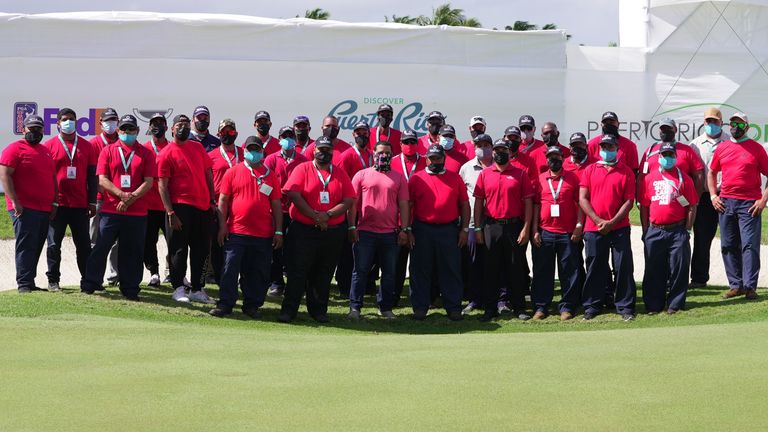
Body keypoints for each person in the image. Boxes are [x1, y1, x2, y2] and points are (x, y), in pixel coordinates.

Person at [279, 136, 354, 323]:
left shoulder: (339, 173)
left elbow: (349, 200)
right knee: (297, 271)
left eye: (328, 149)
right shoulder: (302, 168)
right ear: (313, 151)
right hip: (304, 229)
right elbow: (294, 194)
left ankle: (318, 310)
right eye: (320, 149)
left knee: (324, 272)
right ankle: (289, 311)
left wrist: (326, 215)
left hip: (331, 230)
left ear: (333, 152)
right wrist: (315, 216)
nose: (324, 152)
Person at [81, 115, 155, 300]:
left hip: (136, 212)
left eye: (131, 129)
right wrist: (121, 195)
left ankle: (130, 289)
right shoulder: (108, 150)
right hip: (110, 209)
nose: (126, 133)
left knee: (132, 251)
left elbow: (148, 182)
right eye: (123, 129)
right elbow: (102, 179)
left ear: (137, 131)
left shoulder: (145, 153)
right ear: (118, 131)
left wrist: (130, 199)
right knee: (101, 247)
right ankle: (91, 283)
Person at [209, 136, 283, 318]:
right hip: (236, 231)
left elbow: (276, 205)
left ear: (262, 152)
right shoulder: (233, 172)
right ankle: (225, 304)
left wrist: (279, 230)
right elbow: (223, 201)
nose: (253, 152)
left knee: (257, 271)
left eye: (256, 149)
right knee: (229, 269)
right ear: (245, 151)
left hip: (262, 233)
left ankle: (252, 305)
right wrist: (222, 226)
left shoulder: (270, 175)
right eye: (250, 149)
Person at [158, 114, 217, 304]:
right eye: (179, 125)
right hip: (179, 206)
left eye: (185, 124)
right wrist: (170, 212)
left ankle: (197, 289)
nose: (182, 127)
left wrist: (212, 200)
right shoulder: (166, 153)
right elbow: (162, 186)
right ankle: (178, 288)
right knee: (179, 250)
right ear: (172, 129)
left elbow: (208, 174)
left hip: (202, 206)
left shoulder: (198, 147)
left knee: (201, 249)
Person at [347, 141, 410, 319]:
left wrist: (404, 229)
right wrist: (352, 226)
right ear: (373, 153)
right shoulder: (361, 175)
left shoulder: (398, 177)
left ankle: (385, 308)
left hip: (390, 234)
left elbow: (404, 205)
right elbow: (352, 204)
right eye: (381, 152)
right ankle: (355, 308)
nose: (384, 156)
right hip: (365, 232)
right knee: (360, 271)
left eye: (388, 153)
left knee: (389, 273)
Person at [709, 112, 768, 301]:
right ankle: (736, 285)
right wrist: (712, 196)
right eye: (733, 123)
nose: (735, 126)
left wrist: (763, 200)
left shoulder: (756, 149)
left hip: (750, 204)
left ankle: (750, 287)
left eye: (740, 124)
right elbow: (711, 172)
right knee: (727, 244)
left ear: (747, 127)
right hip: (726, 202)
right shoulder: (723, 147)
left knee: (749, 246)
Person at [407, 144, 470, 321]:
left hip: (448, 230)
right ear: (426, 159)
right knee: (420, 269)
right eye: (432, 158)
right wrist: (408, 229)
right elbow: (409, 206)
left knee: (451, 269)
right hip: (422, 229)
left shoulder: (455, 178)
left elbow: (464, 205)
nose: (435, 161)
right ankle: (420, 307)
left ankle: (453, 307)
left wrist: (464, 229)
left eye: (438, 158)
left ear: (444, 159)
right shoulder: (416, 178)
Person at [474, 139, 534, 322]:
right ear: (492, 152)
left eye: (504, 150)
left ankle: (519, 308)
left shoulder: (520, 174)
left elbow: (528, 203)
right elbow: (478, 203)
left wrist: (526, 228)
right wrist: (478, 228)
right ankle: (490, 309)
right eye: (497, 150)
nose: (500, 152)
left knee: (515, 269)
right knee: (490, 269)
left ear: (509, 152)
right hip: (491, 226)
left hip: (514, 226)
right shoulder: (485, 174)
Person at [579, 135, 637, 321]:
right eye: (603, 146)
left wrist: (611, 222)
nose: (606, 149)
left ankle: (625, 306)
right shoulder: (589, 170)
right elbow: (583, 198)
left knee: (622, 266)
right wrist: (598, 221)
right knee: (595, 266)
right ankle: (592, 306)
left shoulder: (626, 171)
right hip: (593, 227)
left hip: (619, 227)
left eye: (610, 146)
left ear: (617, 148)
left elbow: (629, 201)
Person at [639, 142, 699, 314]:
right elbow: (644, 205)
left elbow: (692, 206)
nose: (668, 158)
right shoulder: (650, 178)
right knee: (653, 269)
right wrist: (645, 230)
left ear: (675, 157)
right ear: (659, 158)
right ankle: (653, 305)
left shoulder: (684, 178)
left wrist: (687, 230)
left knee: (679, 269)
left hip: (677, 230)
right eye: (664, 155)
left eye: (671, 155)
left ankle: (675, 304)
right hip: (655, 230)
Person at [0, 115, 57, 293]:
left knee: (37, 244)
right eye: (31, 129)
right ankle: (24, 284)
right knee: (26, 245)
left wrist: (54, 203)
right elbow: (5, 175)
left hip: (44, 208)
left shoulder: (45, 151)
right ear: (23, 129)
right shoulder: (14, 149)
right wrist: (15, 202)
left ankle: (30, 281)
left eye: (38, 129)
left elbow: (52, 178)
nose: (35, 132)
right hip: (23, 208)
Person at [43, 107, 98, 291]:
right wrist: (49, 202)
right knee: (53, 245)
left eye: (72, 119)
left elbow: (92, 176)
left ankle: (88, 281)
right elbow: (44, 177)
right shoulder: (48, 146)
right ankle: (53, 280)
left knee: (83, 245)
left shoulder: (86, 146)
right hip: (57, 205)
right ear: (57, 123)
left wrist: (92, 201)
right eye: (65, 119)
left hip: (80, 204)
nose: (69, 122)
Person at [531, 146, 583, 320]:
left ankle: (567, 307)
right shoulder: (540, 179)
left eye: (557, 156)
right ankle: (541, 307)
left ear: (563, 158)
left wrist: (578, 225)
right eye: (551, 157)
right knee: (542, 271)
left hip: (567, 233)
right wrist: (534, 230)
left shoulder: (572, 178)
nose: (554, 160)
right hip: (545, 231)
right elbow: (536, 206)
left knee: (569, 271)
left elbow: (580, 203)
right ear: (546, 159)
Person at [264, 126, 308, 296]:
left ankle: (296, 284)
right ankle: (276, 283)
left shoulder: (303, 160)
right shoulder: (271, 159)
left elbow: (308, 184)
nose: (288, 139)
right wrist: (277, 193)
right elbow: (265, 184)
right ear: (279, 138)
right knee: (276, 249)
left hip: (297, 211)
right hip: (277, 210)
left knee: (296, 250)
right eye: (284, 136)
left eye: (290, 136)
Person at [689, 108, 729, 288]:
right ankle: (698, 279)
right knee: (701, 239)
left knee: (731, 239)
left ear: (721, 122)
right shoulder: (695, 144)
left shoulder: (730, 142)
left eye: (715, 121)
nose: (711, 124)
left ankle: (737, 281)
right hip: (705, 197)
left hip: (727, 195)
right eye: (708, 121)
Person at [335, 120, 373, 298]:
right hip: (351, 208)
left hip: (369, 208)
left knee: (366, 248)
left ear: (369, 134)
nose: (361, 135)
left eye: (364, 132)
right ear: (353, 135)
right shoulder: (347, 155)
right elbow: (341, 183)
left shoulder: (373, 155)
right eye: (358, 132)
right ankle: (344, 286)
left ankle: (367, 284)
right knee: (348, 251)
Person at [458, 133, 494, 314]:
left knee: (493, 262)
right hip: (472, 222)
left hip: (494, 223)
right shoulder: (466, 168)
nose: (483, 147)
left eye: (487, 144)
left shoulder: (499, 165)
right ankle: (474, 299)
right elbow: (461, 197)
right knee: (473, 263)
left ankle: (494, 299)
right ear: (474, 146)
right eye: (480, 144)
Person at [390, 129, 426, 303]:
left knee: (419, 263)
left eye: (413, 142)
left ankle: (417, 297)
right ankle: (393, 296)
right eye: (406, 142)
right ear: (400, 144)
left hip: (419, 219)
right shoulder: (391, 162)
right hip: (396, 220)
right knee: (396, 262)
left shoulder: (427, 162)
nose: (410, 145)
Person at [207, 119, 244, 285]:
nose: (227, 135)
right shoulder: (211, 156)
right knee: (218, 244)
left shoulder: (244, 153)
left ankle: (239, 279)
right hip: (218, 206)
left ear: (235, 133)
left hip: (239, 205)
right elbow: (206, 181)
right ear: (218, 134)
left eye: (230, 132)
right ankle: (220, 278)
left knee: (239, 243)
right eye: (224, 132)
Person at [88, 107, 120, 285]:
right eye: (107, 121)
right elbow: (93, 175)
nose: (111, 124)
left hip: (119, 200)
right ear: (100, 124)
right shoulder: (94, 144)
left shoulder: (123, 143)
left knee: (117, 242)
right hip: (100, 199)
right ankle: (94, 278)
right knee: (96, 240)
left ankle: (114, 276)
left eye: (114, 120)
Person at [142, 113, 171, 287]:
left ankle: (174, 273)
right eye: (154, 123)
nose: (157, 126)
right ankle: (154, 273)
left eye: (161, 123)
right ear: (149, 127)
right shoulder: (145, 148)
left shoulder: (172, 147)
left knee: (174, 242)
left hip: (169, 205)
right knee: (149, 241)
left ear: (167, 127)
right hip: (149, 204)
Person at [639, 118, 704, 191]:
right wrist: (641, 200)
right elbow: (642, 175)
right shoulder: (650, 151)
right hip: (655, 197)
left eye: (669, 128)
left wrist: (696, 198)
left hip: (680, 198)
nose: (665, 131)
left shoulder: (687, 150)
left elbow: (698, 175)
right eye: (663, 128)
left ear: (675, 130)